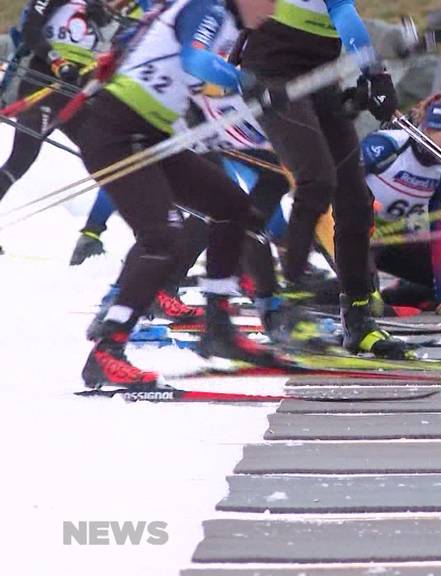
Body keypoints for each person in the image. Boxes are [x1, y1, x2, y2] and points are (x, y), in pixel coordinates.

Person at [77, 0, 284, 388]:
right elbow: (197, 62)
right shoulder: (208, 9)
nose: (273, 9)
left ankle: (218, 328)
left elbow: (206, 95)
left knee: (232, 208)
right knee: (162, 239)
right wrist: (247, 82)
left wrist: (261, 106)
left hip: (152, 136)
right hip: (117, 134)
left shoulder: (222, 21)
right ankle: (108, 349)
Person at [240, 0, 413, 359]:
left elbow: (346, 22)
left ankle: (359, 317)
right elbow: (343, 14)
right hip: (272, 76)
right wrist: (376, 74)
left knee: (355, 199)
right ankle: (290, 305)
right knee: (317, 180)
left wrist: (371, 79)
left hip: (320, 78)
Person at [0, 0, 112, 255]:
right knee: (21, 160)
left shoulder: (107, 5)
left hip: (76, 92)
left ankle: (92, 236)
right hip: (45, 83)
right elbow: (30, 28)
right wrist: (57, 61)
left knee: (108, 154)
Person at [363, 96, 441, 314]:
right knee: (361, 287)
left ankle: (393, 296)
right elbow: (338, 186)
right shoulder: (388, 144)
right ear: (428, 130)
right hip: (353, 233)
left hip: (392, 238)